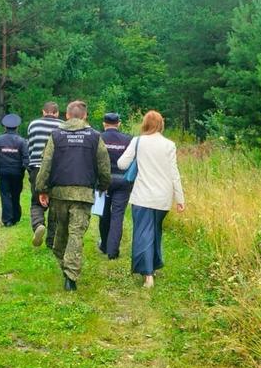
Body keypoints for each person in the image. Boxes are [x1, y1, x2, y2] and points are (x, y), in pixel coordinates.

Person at [36, 100, 111, 291]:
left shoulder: (56, 135)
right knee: (76, 233)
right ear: (85, 116)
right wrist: (103, 185)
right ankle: (70, 275)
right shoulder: (95, 136)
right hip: (83, 194)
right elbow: (104, 164)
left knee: (61, 231)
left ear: (67, 115)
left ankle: (67, 268)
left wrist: (42, 189)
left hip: (59, 194)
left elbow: (46, 163)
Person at [116, 110, 185, 288]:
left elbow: (122, 164)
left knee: (143, 233)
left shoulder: (138, 141)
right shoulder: (169, 145)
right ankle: (153, 265)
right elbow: (174, 173)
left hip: (143, 196)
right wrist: (180, 199)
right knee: (155, 231)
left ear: (145, 124)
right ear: (161, 124)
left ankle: (148, 275)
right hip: (163, 197)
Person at [26, 101, 63, 248]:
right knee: (55, 204)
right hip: (57, 169)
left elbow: (30, 147)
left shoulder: (33, 125)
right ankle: (51, 240)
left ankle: (38, 224)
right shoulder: (62, 126)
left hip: (37, 167)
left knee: (36, 202)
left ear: (43, 111)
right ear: (57, 113)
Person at [98, 112, 133, 259]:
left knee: (104, 213)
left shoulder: (98, 137)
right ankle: (113, 251)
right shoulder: (128, 139)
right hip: (123, 181)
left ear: (104, 124)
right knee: (117, 215)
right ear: (119, 123)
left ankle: (104, 245)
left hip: (103, 181)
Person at [0, 113, 29, 226]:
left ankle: (7, 219)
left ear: (5, 127)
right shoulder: (22, 141)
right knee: (16, 194)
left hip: (2, 171)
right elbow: (26, 158)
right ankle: (16, 217)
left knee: (5, 194)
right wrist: (23, 169)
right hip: (17, 172)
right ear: (17, 127)